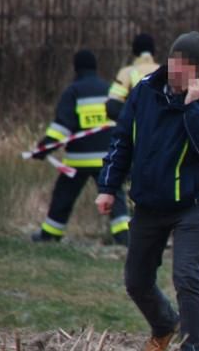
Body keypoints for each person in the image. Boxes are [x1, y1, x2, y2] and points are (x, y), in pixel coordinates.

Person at [96, 31, 199, 351]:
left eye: (185, 65)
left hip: (194, 204)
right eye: (174, 61)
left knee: (187, 275)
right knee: (136, 280)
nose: (176, 69)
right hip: (149, 203)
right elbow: (122, 140)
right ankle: (164, 324)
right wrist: (108, 186)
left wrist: (193, 107)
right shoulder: (144, 90)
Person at [31, 50, 129, 245]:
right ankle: (125, 237)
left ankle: (50, 234)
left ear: (76, 68)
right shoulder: (109, 89)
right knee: (115, 196)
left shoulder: (73, 91)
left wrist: (44, 147)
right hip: (107, 159)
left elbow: (62, 127)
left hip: (79, 161)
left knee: (63, 196)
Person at [106, 33, 159, 121]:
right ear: (153, 51)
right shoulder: (165, 71)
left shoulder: (126, 73)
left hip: (136, 132)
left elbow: (112, 106)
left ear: (134, 51)